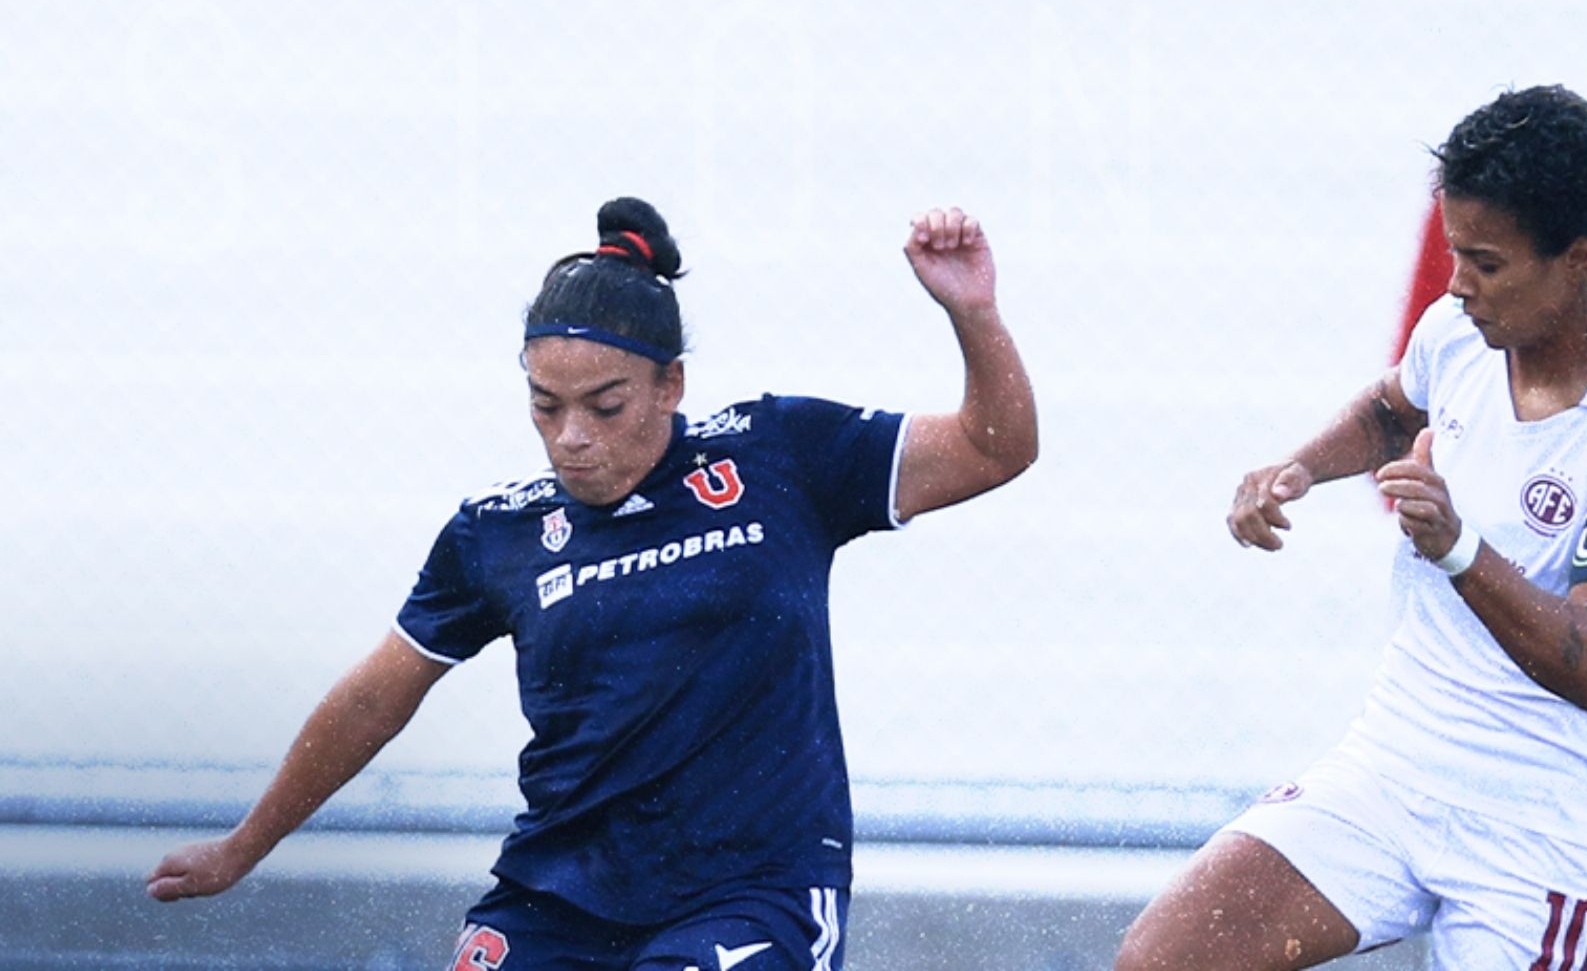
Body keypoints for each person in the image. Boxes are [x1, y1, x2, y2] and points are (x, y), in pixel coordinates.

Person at [147, 199, 1038, 971]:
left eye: (604, 406)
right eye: (545, 405)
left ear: (669, 386)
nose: (572, 435)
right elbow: (377, 696)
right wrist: (244, 846)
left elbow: (997, 447)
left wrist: (972, 313)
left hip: (751, 891)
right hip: (558, 896)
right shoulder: (496, 532)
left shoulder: (783, 456)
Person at [1115, 85, 1587, 970]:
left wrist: (1459, 549)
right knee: (1166, 960)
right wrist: (1299, 468)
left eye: (1488, 263)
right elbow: (1394, 409)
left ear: (1578, 260)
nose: (1459, 284)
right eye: (1457, 253)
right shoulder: (1461, 333)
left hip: (1544, 821)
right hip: (1395, 766)